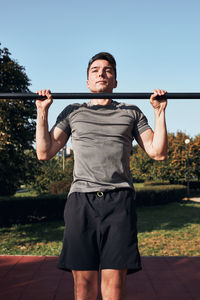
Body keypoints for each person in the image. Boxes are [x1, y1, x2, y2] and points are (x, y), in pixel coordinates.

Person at [36, 52, 168, 300]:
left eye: (108, 70)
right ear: (87, 81)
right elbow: (44, 152)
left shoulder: (131, 111)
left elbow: (157, 152)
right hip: (81, 202)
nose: (101, 73)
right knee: (84, 288)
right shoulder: (72, 111)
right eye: (95, 70)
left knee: (114, 289)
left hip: (119, 202)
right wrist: (42, 112)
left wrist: (160, 112)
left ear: (115, 81)